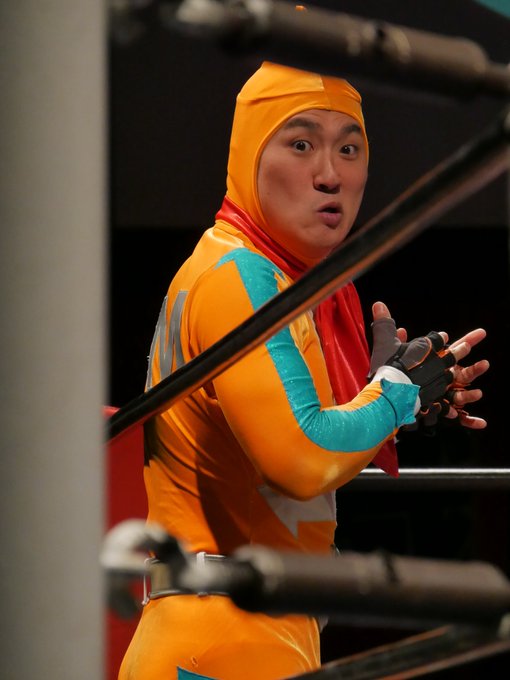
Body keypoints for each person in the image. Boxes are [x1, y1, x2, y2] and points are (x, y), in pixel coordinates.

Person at [118, 61, 488, 680]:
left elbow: (280, 443)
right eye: (300, 144)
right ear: (248, 156)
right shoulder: (240, 279)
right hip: (226, 636)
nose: (329, 175)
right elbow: (301, 458)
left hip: (242, 628)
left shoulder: (276, 283)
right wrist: (395, 393)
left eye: (349, 149)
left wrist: (391, 402)